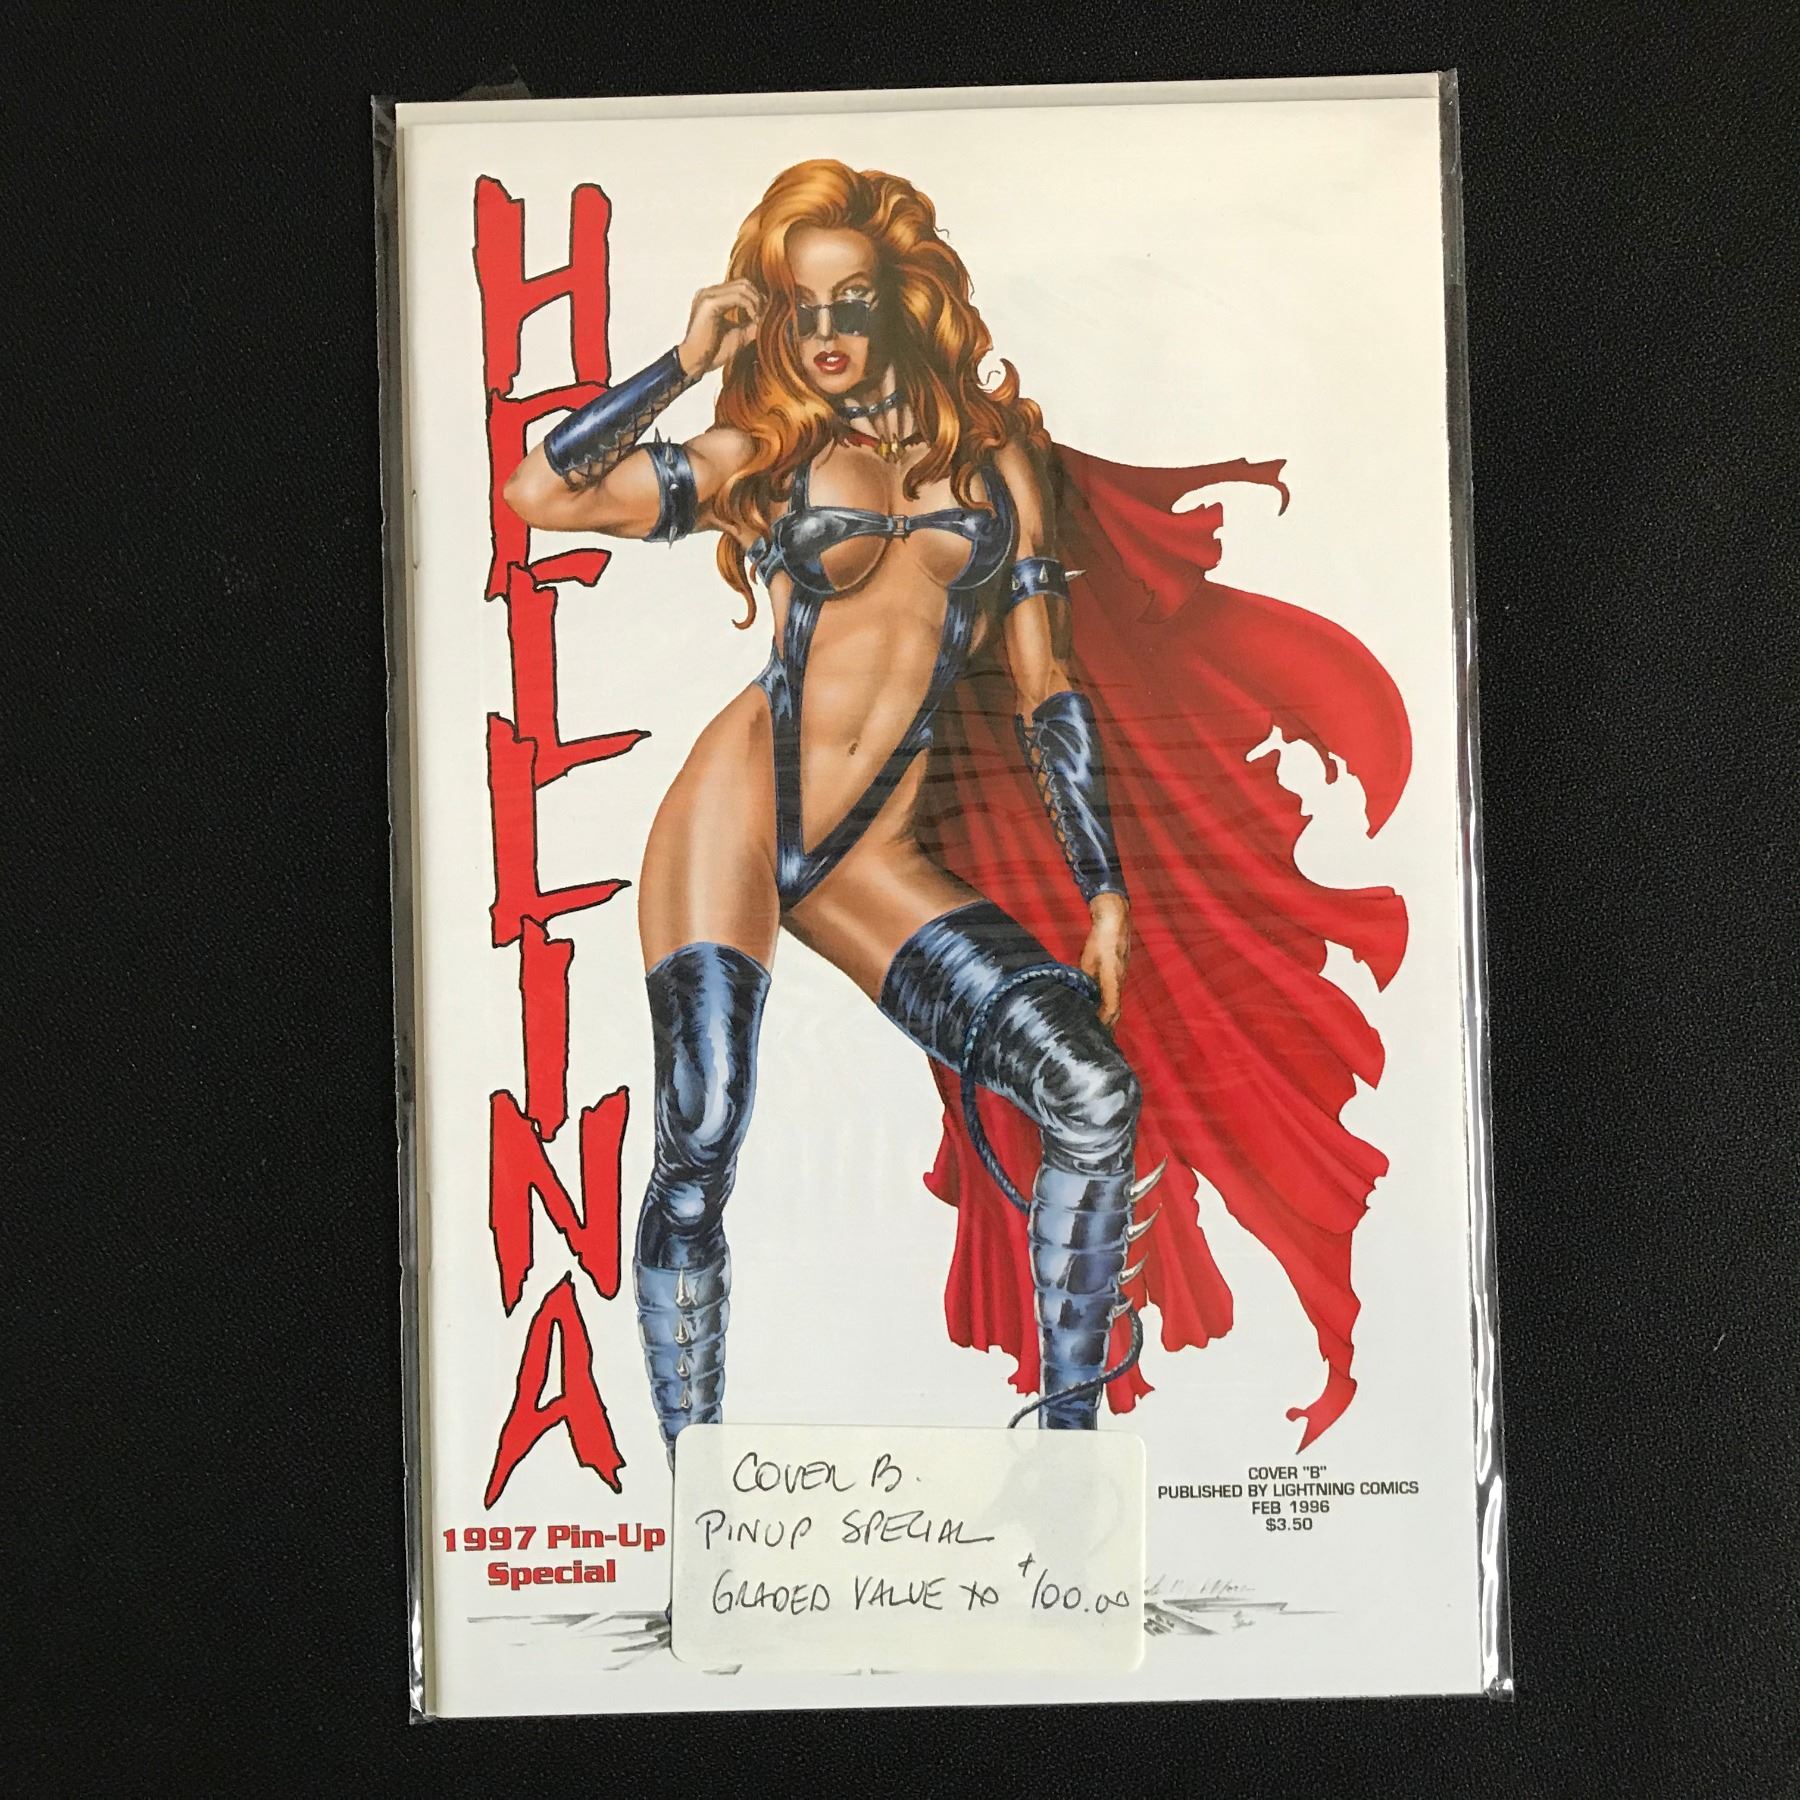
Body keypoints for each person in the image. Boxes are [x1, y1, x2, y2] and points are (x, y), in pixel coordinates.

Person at [506, 159, 1413, 1459]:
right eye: (799, 307)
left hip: (871, 853)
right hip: (736, 820)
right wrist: (681, 364)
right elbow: (540, 495)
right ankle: (698, 1488)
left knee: (1091, 1092)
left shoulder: (995, 467)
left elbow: (1049, 687)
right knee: (699, 1138)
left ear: (900, 302)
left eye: (850, 302)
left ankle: (1068, 1457)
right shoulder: (764, 452)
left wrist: (1102, 886)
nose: (824, 333)